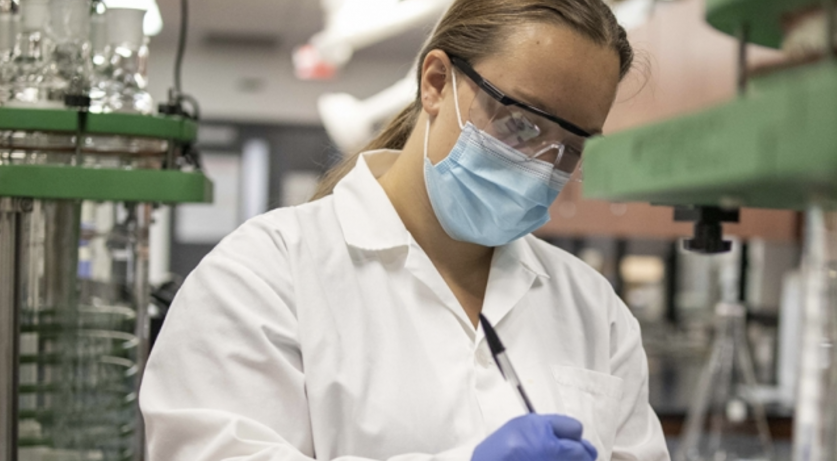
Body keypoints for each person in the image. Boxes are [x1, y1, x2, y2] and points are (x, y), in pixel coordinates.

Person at [139, 0, 670, 460]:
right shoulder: (264, 276)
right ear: (436, 83)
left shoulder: (594, 312)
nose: (540, 164)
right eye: (521, 123)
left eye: (570, 148)